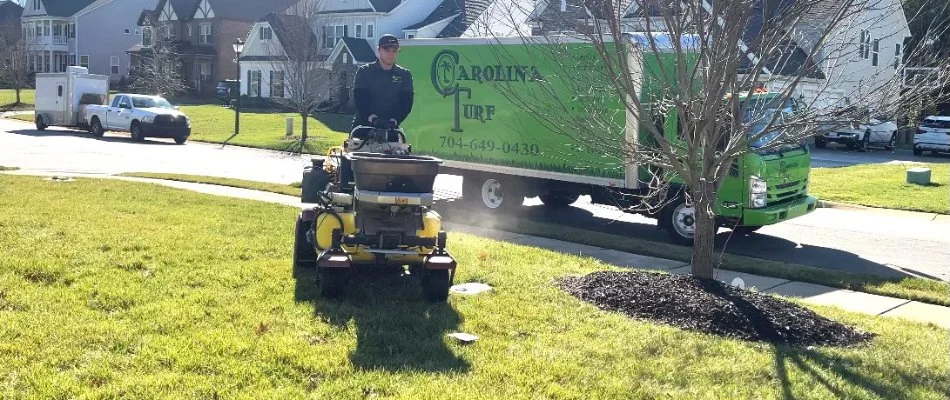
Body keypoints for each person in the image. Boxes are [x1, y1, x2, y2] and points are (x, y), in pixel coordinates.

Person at [352, 34, 414, 130]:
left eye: (394, 50)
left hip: (391, 128)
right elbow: (360, 100)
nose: (391, 53)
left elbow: (406, 104)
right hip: (363, 127)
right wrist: (373, 119)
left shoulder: (404, 74)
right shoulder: (364, 71)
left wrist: (394, 120)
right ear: (378, 50)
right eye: (387, 50)